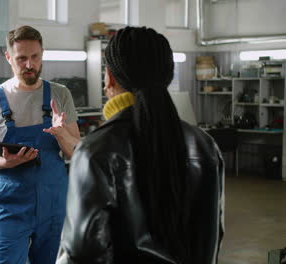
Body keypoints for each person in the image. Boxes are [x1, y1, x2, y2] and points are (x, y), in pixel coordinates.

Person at [57, 26, 225, 263]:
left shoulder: (96, 151)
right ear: (167, 75)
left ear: (110, 78)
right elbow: (212, 237)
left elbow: (82, 252)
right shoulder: (204, 145)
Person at [0, 25, 80, 264]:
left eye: (35, 57)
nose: (30, 65)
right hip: (12, 205)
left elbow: (76, 152)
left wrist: (60, 132)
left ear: (42, 54)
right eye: (22, 59)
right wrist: (5, 161)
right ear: (9, 57)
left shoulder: (60, 94)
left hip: (54, 205)